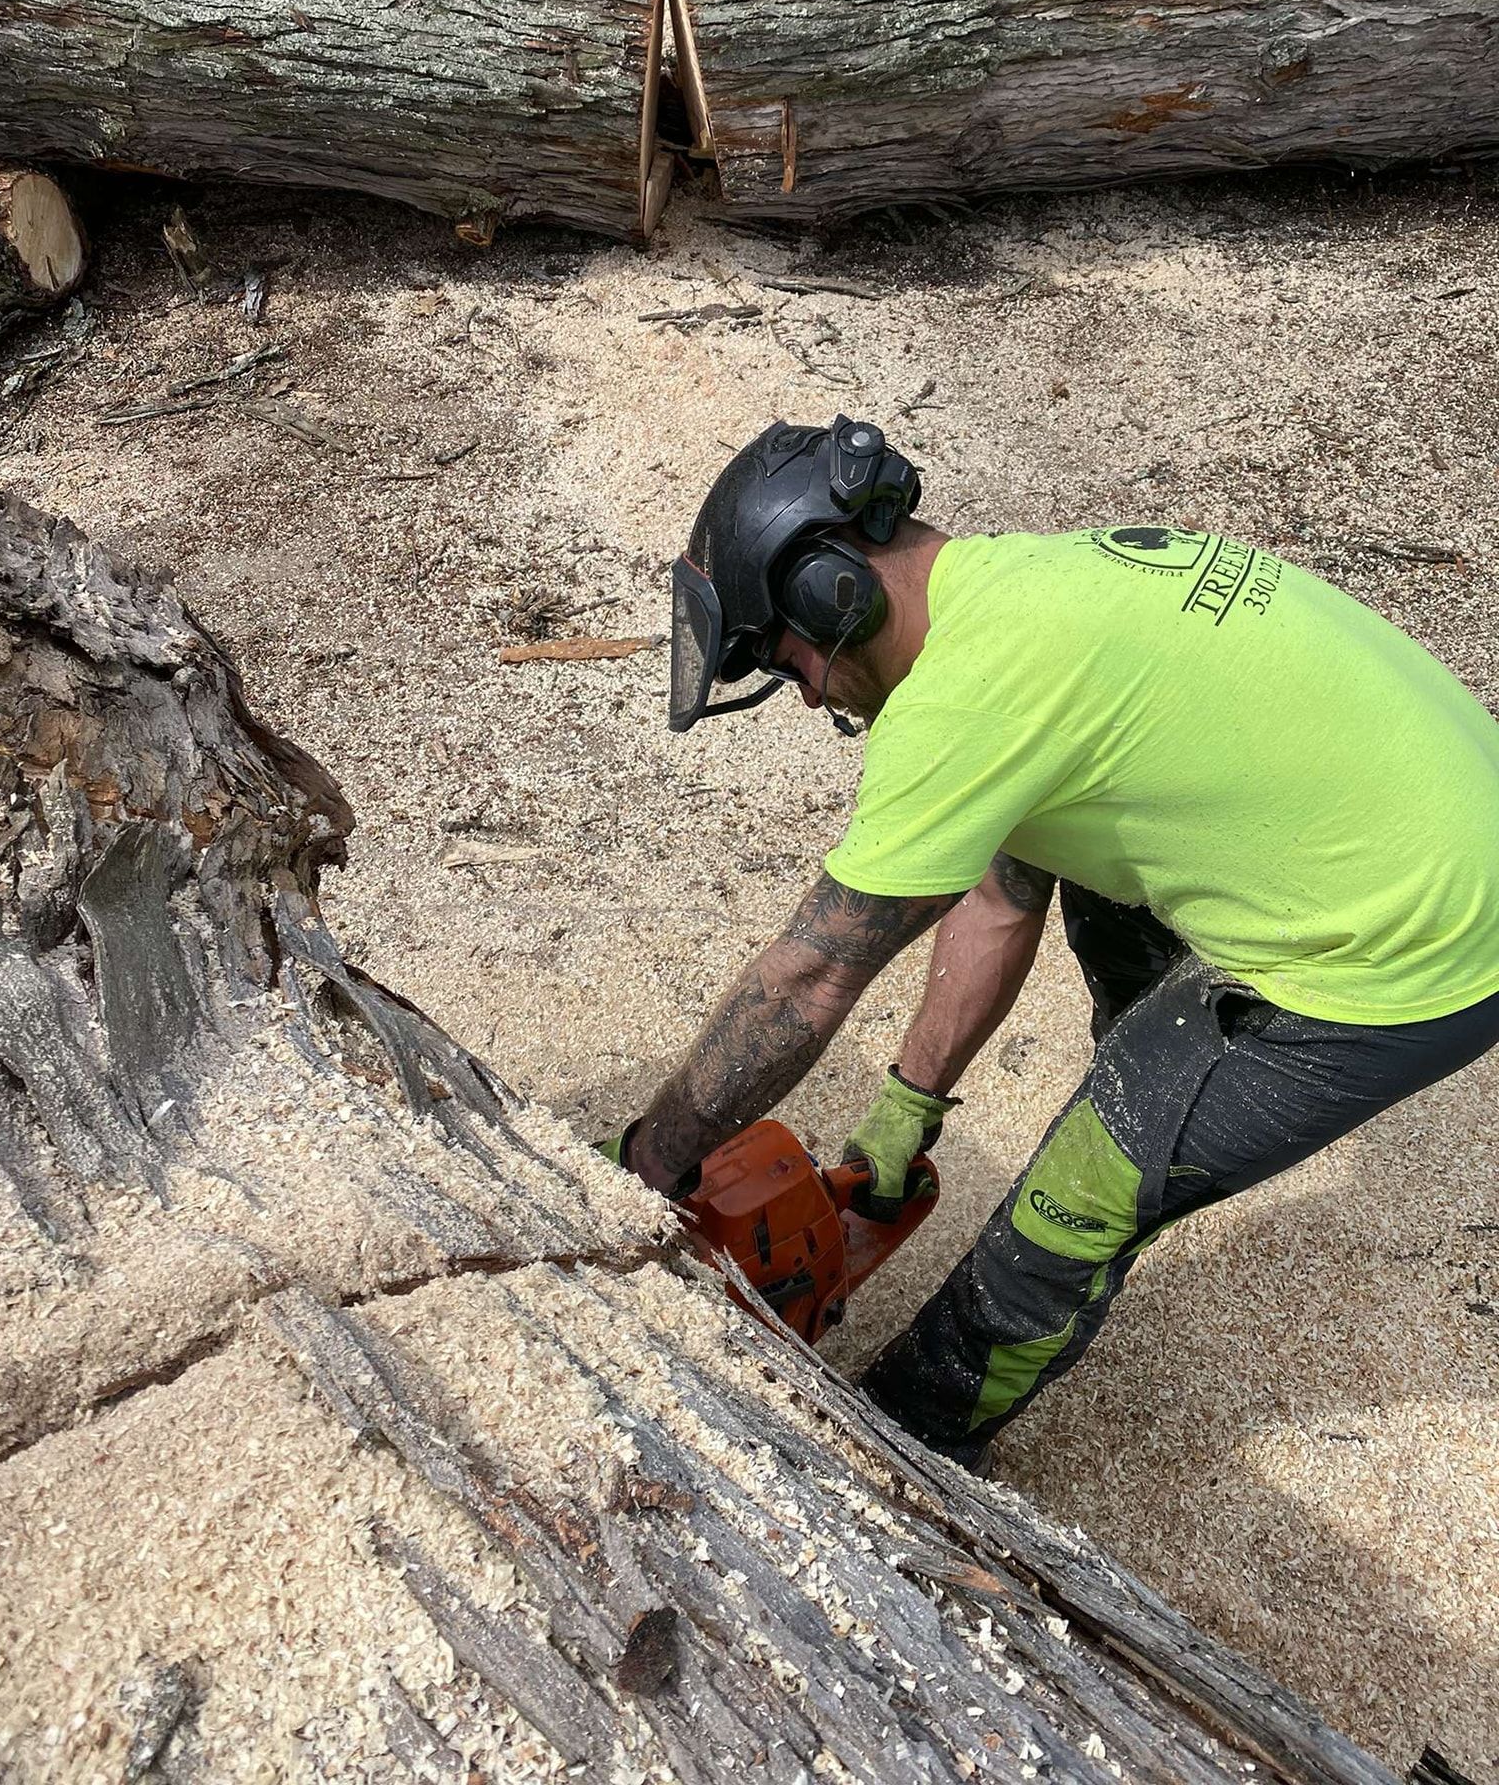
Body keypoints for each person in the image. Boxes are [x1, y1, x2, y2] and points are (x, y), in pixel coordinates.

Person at [600, 416, 1499, 1469]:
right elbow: (1000, 892)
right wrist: (906, 1112)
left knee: (1068, 1209)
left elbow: (806, 979)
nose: (803, 691)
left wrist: (641, 1171)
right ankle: (1159, 1077)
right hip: (1414, 827)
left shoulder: (965, 700)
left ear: (827, 591)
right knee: (1082, 861)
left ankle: (904, 1460)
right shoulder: (1019, 587)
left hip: (1411, 946)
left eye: (785, 658)